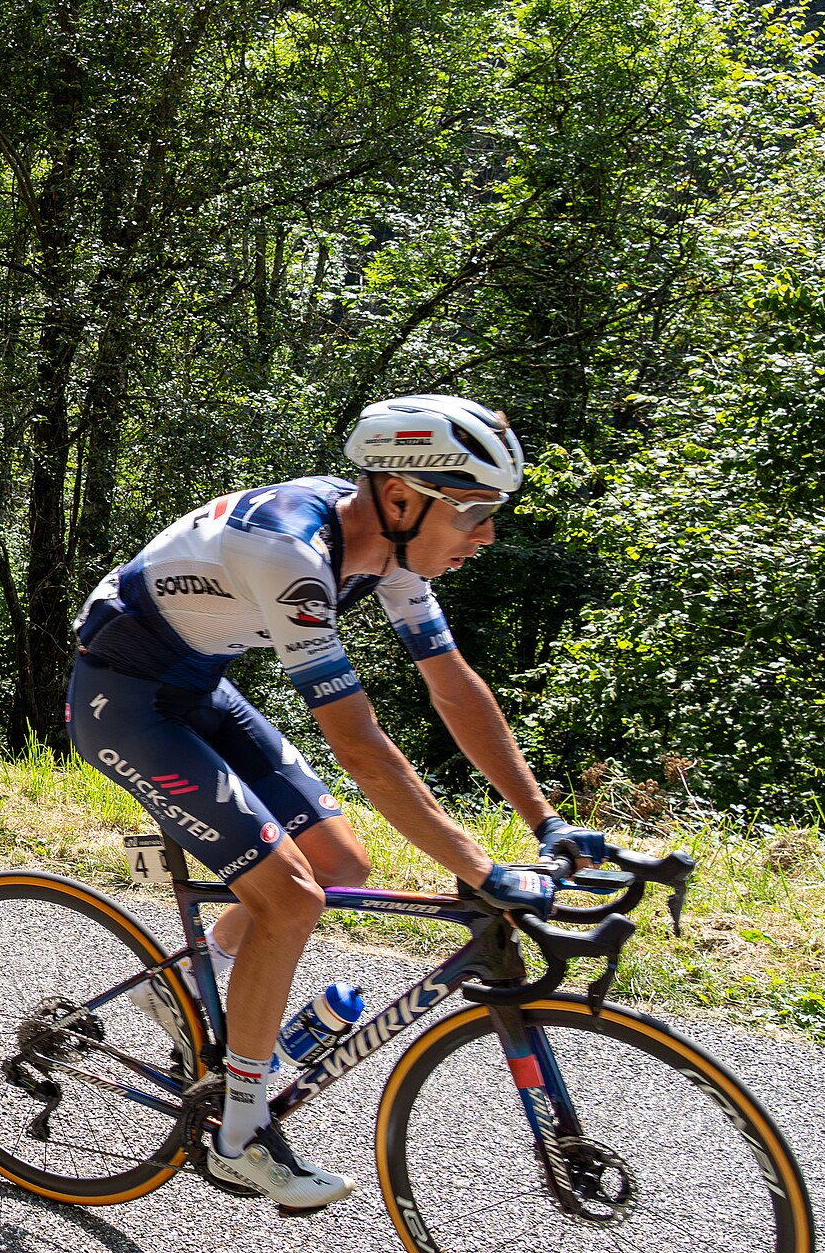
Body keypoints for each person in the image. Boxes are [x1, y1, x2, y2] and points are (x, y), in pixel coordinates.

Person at [66, 394, 602, 1211]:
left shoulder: (388, 553)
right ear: (399, 498)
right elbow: (359, 748)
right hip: (122, 701)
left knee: (341, 863)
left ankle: (179, 986)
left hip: (195, 686)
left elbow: (454, 688)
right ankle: (238, 1136)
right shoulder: (292, 553)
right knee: (289, 896)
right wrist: (482, 868)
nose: (487, 534)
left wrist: (547, 822)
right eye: (475, 511)